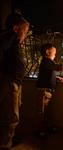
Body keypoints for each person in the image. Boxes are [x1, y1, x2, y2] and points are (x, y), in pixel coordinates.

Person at [0, 11, 29, 149]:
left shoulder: (13, 41)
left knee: (13, 113)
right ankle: (5, 144)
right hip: (10, 82)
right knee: (11, 116)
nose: (26, 34)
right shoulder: (9, 37)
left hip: (15, 82)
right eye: (25, 30)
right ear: (16, 28)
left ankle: (8, 138)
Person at [36, 43, 63, 137]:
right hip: (44, 90)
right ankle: (39, 130)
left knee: (48, 111)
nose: (55, 55)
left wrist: (57, 78)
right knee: (41, 111)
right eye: (54, 52)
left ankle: (47, 127)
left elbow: (49, 73)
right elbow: (58, 67)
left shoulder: (48, 63)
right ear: (47, 52)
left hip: (48, 90)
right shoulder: (46, 61)